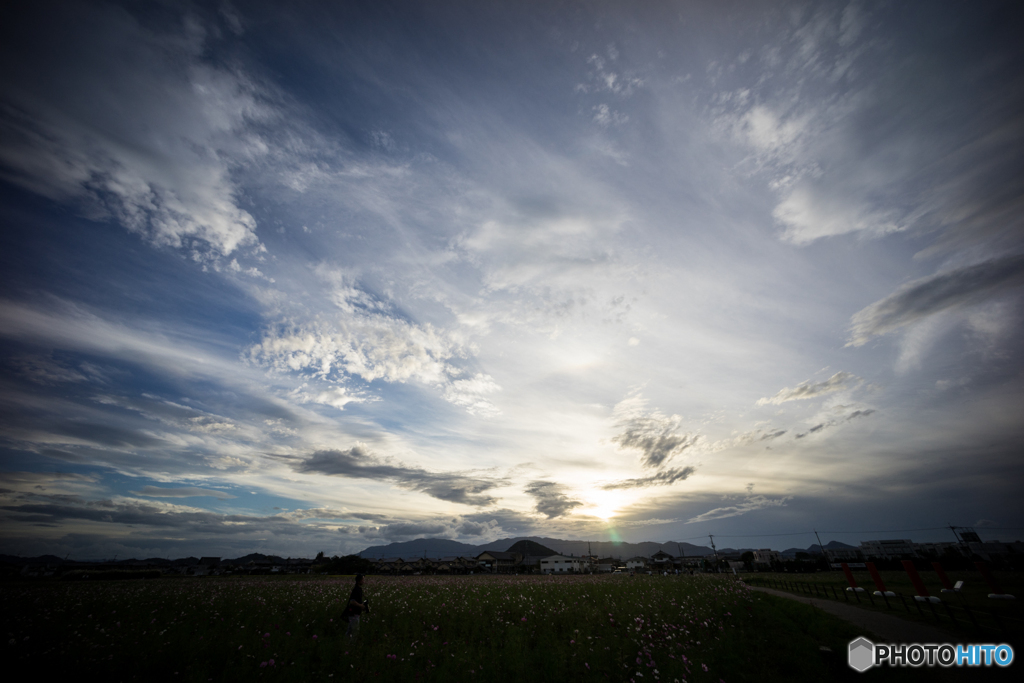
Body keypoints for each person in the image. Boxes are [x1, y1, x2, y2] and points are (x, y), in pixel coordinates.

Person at [343, 574, 368, 640]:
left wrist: (362, 605)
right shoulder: (356, 589)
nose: (363, 581)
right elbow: (352, 601)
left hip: (354, 613)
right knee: (355, 631)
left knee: (350, 630)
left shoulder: (358, 589)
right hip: (354, 613)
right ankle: (352, 645)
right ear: (359, 581)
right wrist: (361, 606)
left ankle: (346, 643)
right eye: (362, 580)